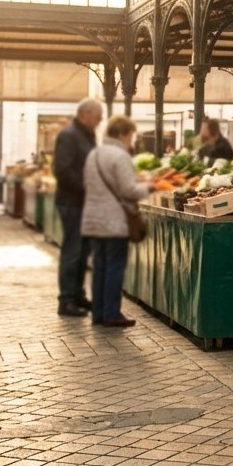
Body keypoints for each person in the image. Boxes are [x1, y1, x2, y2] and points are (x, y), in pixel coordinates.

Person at [80, 115, 150, 328]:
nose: (131, 140)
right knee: (115, 267)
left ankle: (98, 313)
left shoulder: (94, 154)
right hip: (114, 221)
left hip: (94, 220)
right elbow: (129, 190)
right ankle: (111, 313)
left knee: (99, 267)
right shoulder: (120, 156)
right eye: (131, 136)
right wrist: (150, 187)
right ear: (122, 134)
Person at [54, 98, 103, 316]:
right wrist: (87, 188)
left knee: (83, 251)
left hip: (84, 203)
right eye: (98, 115)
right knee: (73, 251)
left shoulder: (86, 134)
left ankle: (77, 295)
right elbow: (63, 170)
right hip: (72, 203)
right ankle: (66, 300)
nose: (100, 119)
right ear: (85, 114)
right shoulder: (69, 135)